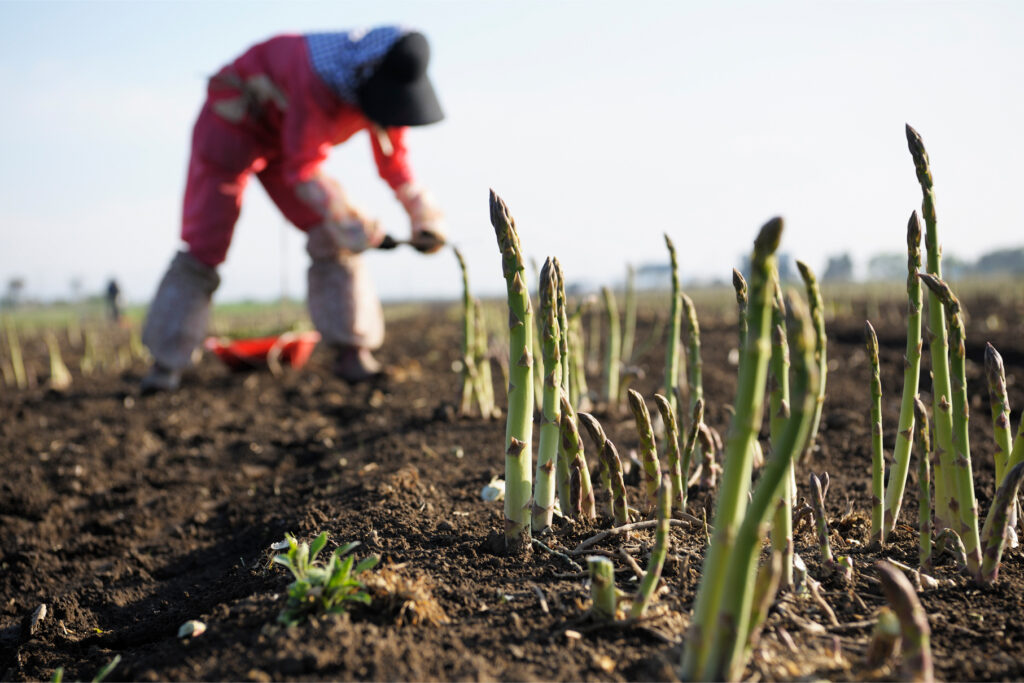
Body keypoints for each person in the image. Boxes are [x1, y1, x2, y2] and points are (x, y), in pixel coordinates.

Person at [141, 27, 446, 392]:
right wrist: (358, 226)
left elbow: (395, 162)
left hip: (286, 146)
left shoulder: (380, 94)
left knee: (331, 235)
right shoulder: (318, 78)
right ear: (368, 75)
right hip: (231, 125)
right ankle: (165, 364)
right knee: (205, 244)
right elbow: (304, 171)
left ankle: (352, 352)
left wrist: (425, 217)